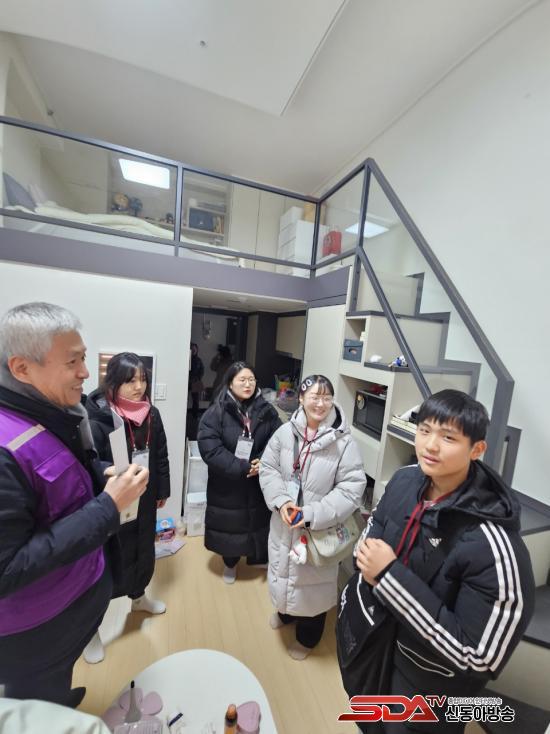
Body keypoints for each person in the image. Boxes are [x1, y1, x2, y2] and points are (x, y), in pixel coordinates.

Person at [342, 389, 535, 732]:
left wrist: (388, 577)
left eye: (448, 437)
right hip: (374, 650)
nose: (430, 445)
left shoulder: (494, 545)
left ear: (476, 449)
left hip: (425, 688)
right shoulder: (405, 479)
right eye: (424, 430)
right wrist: (366, 560)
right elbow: (373, 529)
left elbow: (478, 657)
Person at [0, 302, 148, 706]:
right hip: (34, 631)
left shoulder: (54, 413)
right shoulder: (6, 444)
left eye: (84, 358)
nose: (85, 372)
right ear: (22, 368)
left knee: (56, 685)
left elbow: (63, 474)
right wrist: (108, 505)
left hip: (69, 606)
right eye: (73, 362)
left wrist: (102, 472)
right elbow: (6, 569)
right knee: (37, 707)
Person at [260, 374, 366, 660]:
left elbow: (351, 489)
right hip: (283, 521)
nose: (320, 403)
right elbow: (268, 468)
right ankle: (285, 613)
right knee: (281, 570)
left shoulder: (343, 442)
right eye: (314, 397)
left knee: (312, 585)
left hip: (318, 528)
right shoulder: (285, 432)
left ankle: (308, 638)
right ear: (301, 398)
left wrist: (310, 515)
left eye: (326, 397)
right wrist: (282, 502)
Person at [83, 352, 170, 663]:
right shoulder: (98, 417)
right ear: (114, 382)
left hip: (144, 494)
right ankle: (91, 629)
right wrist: (108, 477)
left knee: (142, 547)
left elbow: (160, 454)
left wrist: (162, 490)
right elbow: (90, 463)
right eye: (131, 381)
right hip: (113, 498)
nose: (139, 387)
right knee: (108, 559)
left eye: (143, 379)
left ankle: (138, 597)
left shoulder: (152, 413)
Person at [197, 361, 281, 584]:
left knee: (257, 520)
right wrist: (243, 467)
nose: (247, 384)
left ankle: (256, 556)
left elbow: (278, 440)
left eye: (251, 380)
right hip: (228, 482)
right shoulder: (216, 412)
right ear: (230, 383)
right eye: (242, 380)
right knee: (230, 524)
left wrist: (262, 462)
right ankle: (230, 562)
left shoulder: (267, 410)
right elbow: (210, 449)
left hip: (257, 480)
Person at [189, 342, 204, 419]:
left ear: (197, 350)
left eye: (195, 349)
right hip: (187, 381)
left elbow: (202, 371)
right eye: (192, 349)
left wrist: (198, 378)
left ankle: (195, 416)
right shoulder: (187, 358)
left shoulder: (199, 360)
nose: (194, 350)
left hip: (195, 381)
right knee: (183, 397)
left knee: (196, 400)